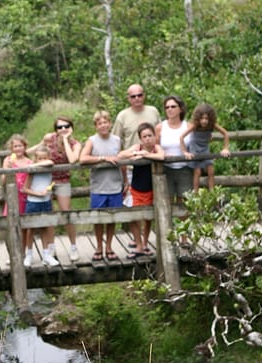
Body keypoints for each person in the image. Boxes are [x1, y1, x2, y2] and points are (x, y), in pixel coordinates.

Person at [31, 117, 81, 261]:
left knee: (66, 213)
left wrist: (65, 140)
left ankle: (73, 247)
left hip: (63, 180)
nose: (63, 129)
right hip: (46, 180)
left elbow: (72, 160)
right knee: (48, 215)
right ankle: (50, 248)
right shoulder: (49, 138)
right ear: (55, 129)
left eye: (66, 126)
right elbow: (32, 152)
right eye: (59, 127)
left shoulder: (75, 144)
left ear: (71, 127)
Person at [80, 110, 127, 261]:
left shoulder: (117, 140)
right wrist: (103, 158)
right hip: (99, 186)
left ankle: (109, 247)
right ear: (96, 126)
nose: (103, 125)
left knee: (112, 218)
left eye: (105, 122)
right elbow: (83, 158)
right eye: (100, 123)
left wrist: (125, 181)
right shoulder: (92, 141)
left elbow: (122, 160)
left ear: (110, 123)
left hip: (115, 184)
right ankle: (99, 247)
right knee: (98, 218)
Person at [119, 122, 165, 257]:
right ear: (140, 138)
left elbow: (161, 156)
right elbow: (121, 155)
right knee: (134, 218)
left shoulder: (156, 148)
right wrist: (137, 152)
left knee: (148, 218)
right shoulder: (137, 147)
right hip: (137, 188)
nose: (148, 139)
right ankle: (138, 245)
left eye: (150, 135)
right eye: (144, 136)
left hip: (152, 189)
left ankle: (145, 244)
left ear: (155, 136)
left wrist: (145, 155)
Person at [112, 84, 160, 207]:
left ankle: (151, 227)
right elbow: (116, 141)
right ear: (128, 98)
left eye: (139, 95)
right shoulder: (122, 116)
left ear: (144, 96)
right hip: (131, 167)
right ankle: (131, 226)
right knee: (131, 203)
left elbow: (159, 134)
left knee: (155, 201)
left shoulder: (153, 111)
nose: (137, 98)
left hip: (153, 164)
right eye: (133, 96)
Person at [180, 103, 231, 191]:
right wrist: (185, 152)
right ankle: (195, 194)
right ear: (197, 118)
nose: (204, 121)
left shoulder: (212, 125)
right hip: (195, 147)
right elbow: (181, 137)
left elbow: (225, 134)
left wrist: (225, 148)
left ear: (210, 119)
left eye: (206, 118)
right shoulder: (194, 126)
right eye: (202, 118)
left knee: (211, 171)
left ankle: (212, 192)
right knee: (198, 172)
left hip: (205, 147)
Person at [21, 146, 58, 267]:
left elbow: (51, 162)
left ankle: (46, 255)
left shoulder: (48, 168)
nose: (42, 160)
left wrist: (33, 165)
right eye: (39, 158)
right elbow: (25, 188)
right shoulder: (33, 173)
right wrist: (38, 194)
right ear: (35, 159)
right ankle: (29, 255)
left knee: (44, 228)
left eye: (44, 158)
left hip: (46, 202)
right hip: (33, 202)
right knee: (31, 229)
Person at [155, 95, 192, 205]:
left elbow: (198, 142)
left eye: (173, 106)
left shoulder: (189, 126)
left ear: (180, 109)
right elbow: (156, 146)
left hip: (185, 168)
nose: (170, 109)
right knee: (167, 201)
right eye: (167, 107)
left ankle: (185, 222)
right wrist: (162, 154)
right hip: (166, 168)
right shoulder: (160, 127)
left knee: (185, 202)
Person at [2, 134, 34, 255]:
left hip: (26, 197)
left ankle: (23, 252)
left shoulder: (30, 162)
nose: (18, 148)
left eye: (20, 146)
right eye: (15, 146)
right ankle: (13, 253)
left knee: (24, 227)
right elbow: (3, 180)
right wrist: (8, 169)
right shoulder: (7, 160)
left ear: (24, 147)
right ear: (11, 148)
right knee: (10, 226)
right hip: (13, 196)